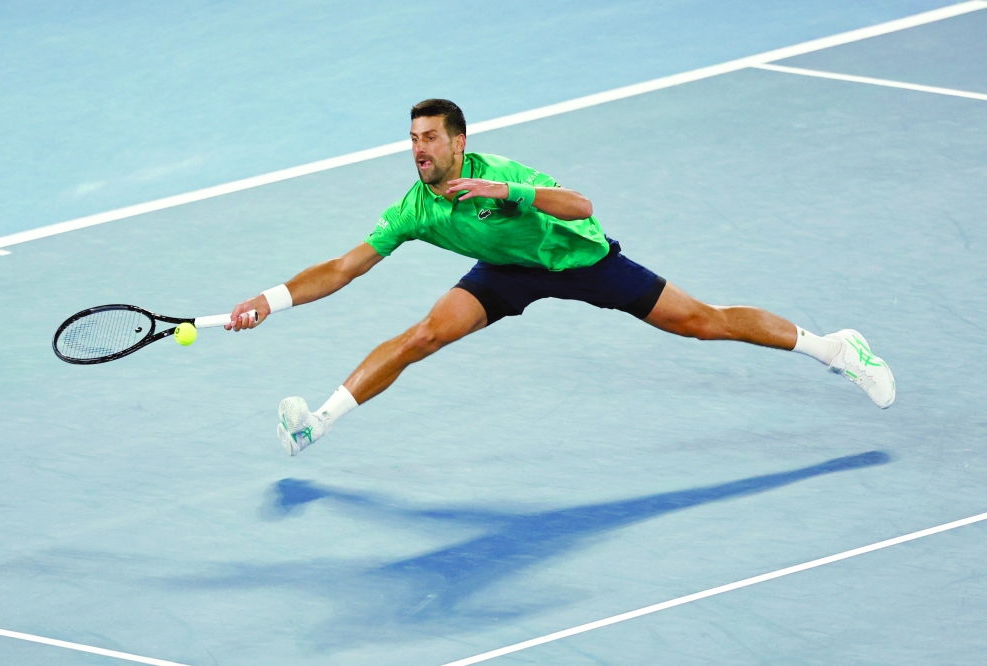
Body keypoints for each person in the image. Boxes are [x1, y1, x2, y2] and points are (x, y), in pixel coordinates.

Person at [227, 99, 895, 456]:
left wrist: (504, 190)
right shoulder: (415, 208)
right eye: (412, 139)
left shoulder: (503, 172)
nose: (419, 149)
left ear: (458, 142)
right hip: (507, 275)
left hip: (581, 261)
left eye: (430, 138)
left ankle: (837, 348)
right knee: (424, 335)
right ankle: (318, 423)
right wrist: (269, 299)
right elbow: (344, 268)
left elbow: (582, 207)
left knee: (703, 323)